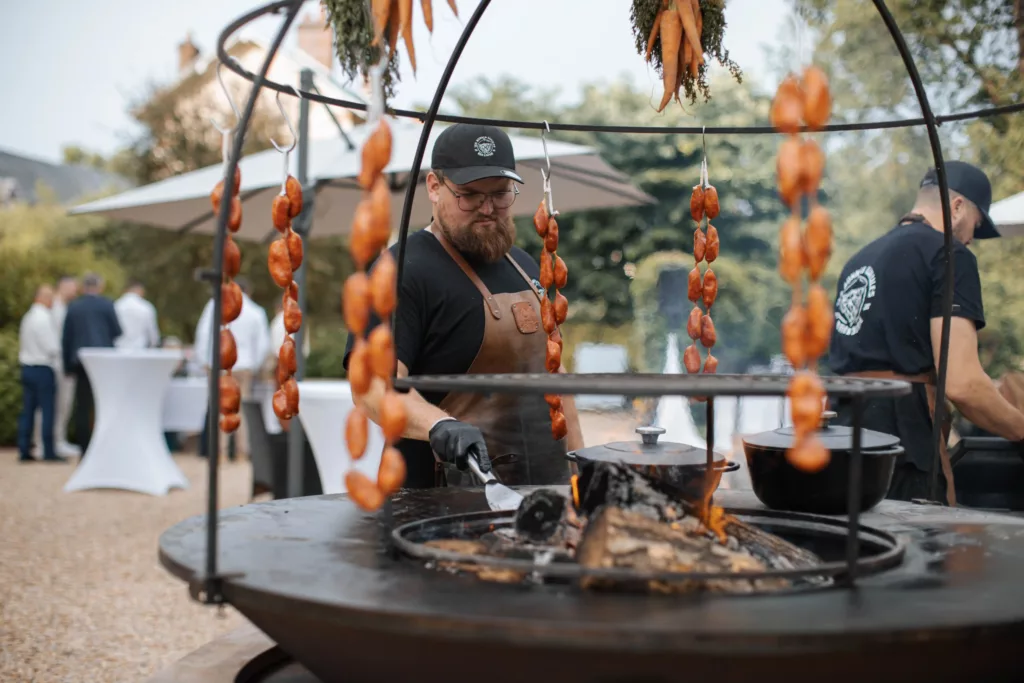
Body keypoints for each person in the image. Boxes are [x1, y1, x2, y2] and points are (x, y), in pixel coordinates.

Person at [343, 123, 584, 489]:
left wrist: (579, 468)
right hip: (438, 501)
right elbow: (371, 386)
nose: (488, 209)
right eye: (470, 195)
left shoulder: (525, 264)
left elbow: (556, 374)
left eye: (501, 194)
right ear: (434, 187)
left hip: (542, 492)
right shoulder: (403, 269)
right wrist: (438, 425)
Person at [828, 161, 1024, 505]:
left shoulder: (860, 259)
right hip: (901, 448)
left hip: (841, 436)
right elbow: (962, 384)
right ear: (958, 207)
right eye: (975, 228)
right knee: (914, 555)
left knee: (853, 550)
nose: (970, 241)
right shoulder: (949, 254)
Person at [194, 275, 270, 461]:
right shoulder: (256, 311)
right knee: (241, 408)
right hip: (244, 365)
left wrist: (204, 359)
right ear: (249, 291)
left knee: (220, 408)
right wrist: (254, 364)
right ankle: (242, 452)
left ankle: (220, 452)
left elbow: (204, 334)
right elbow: (262, 344)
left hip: (218, 364)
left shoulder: (215, 305)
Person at [61, 272, 122, 456]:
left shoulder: (74, 307)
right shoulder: (107, 305)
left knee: (82, 406)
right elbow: (117, 331)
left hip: (80, 362)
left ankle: (84, 448)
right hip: (103, 362)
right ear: (100, 286)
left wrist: (67, 366)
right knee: (102, 404)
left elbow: (66, 338)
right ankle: (102, 445)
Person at [17, 285, 63, 463]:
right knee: (48, 411)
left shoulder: (28, 317)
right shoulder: (43, 319)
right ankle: (49, 451)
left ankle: (24, 448)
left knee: (28, 411)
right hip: (42, 367)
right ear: (44, 298)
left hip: (27, 366)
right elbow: (52, 347)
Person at [51, 275, 80, 457]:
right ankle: (55, 441)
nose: (75, 292)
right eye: (73, 288)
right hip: (57, 364)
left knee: (64, 404)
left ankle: (59, 439)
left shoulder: (64, 308)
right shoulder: (55, 309)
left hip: (63, 363)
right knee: (59, 404)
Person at [114, 279, 160, 349]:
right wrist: (153, 345)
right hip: (139, 348)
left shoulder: (116, 305)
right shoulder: (146, 307)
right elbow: (152, 332)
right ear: (140, 291)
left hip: (118, 347)